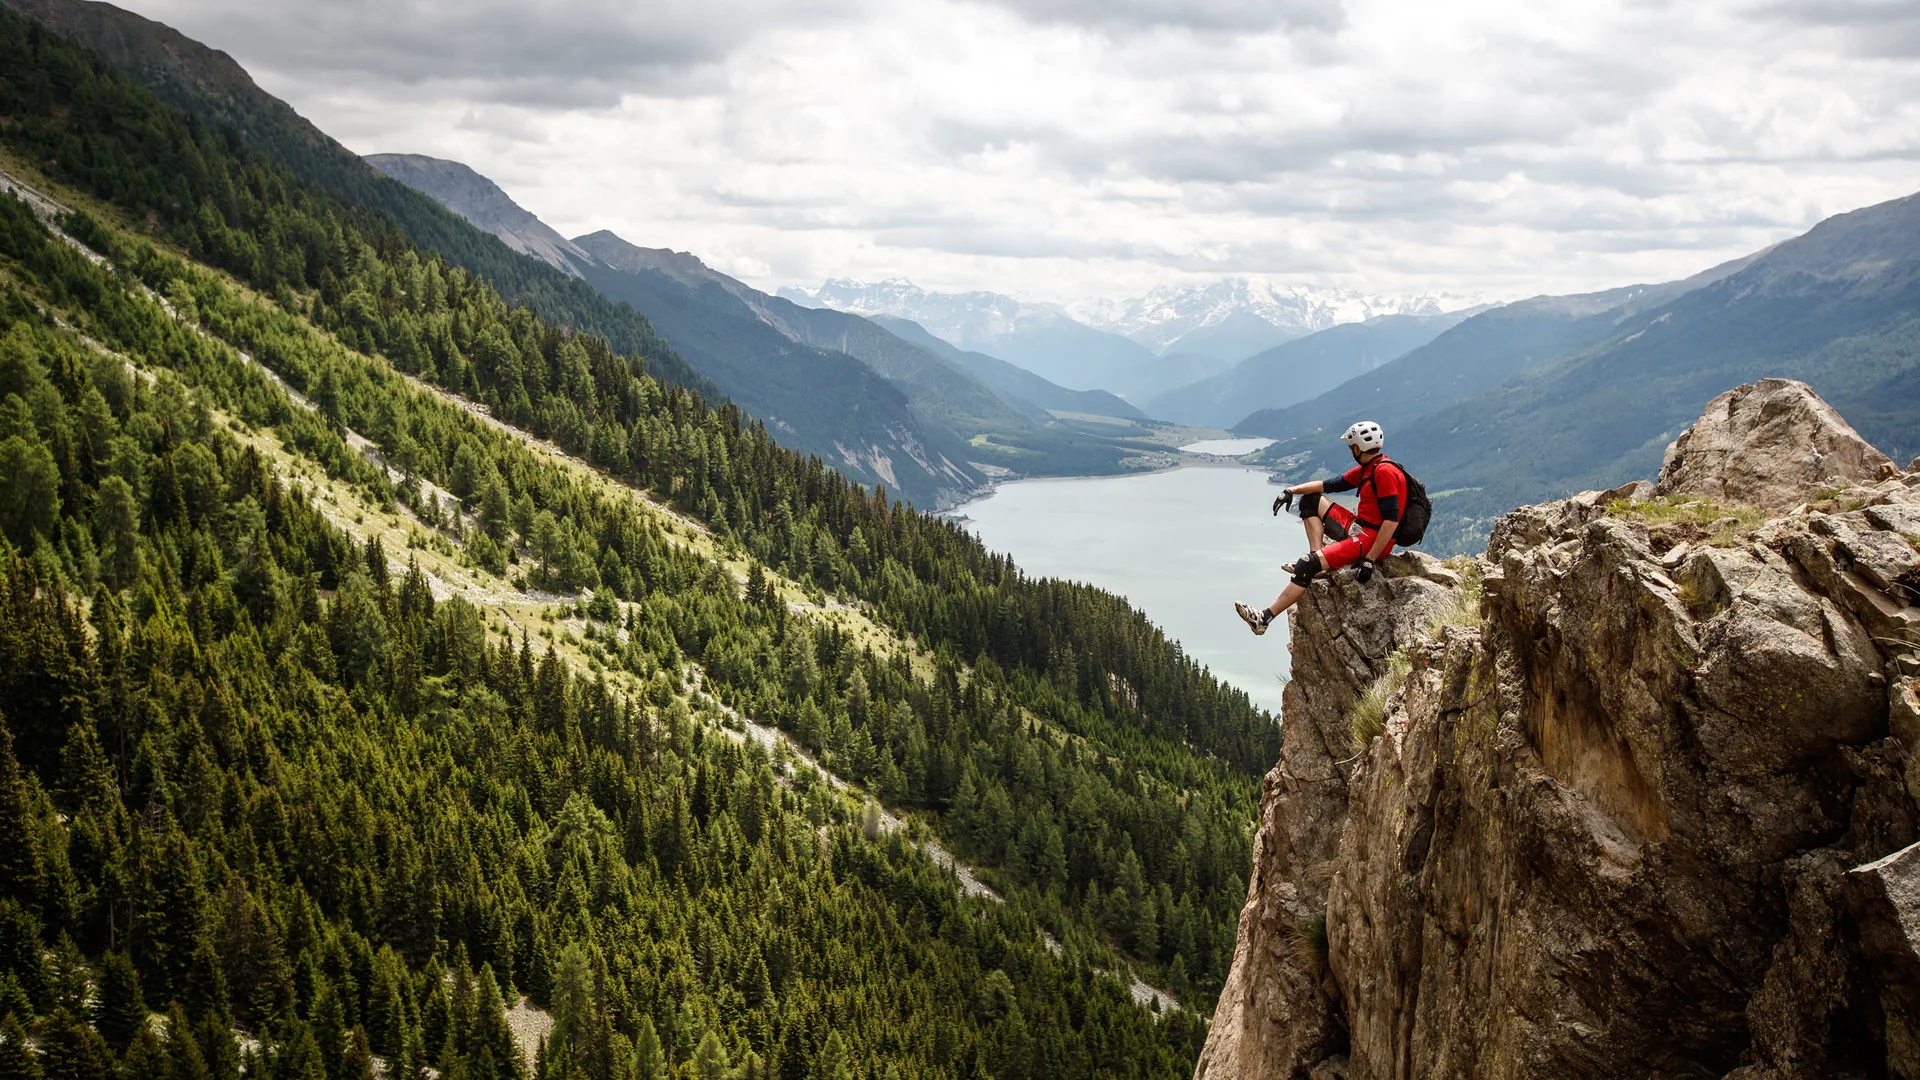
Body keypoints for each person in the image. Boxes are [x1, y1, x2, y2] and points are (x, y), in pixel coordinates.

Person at [1235, 420, 1405, 636]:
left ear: (1357, 447)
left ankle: (1263, 619)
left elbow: (1391, 521)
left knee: (1306, 565)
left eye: (1351, 446)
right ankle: (1319, 558)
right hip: (1359, 527)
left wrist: (1370, 559)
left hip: (1371, 538)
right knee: (1310, 500)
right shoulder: (1369, 469)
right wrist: (1290, 490)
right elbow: (1328, 485)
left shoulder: (1384, 473)